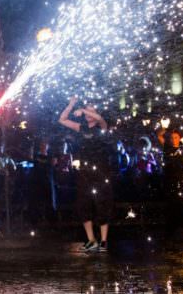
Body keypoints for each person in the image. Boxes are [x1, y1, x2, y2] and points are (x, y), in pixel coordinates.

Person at [59, 97, 113, 252]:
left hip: (101, 171)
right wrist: (71, 104)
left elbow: (100, 119)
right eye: (87, 110)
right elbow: (62, 119)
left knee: (102, 203)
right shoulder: (81, 127)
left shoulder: (102, 126)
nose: (89, 113)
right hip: (85, 172)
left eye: (92, 110)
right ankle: (91, 240)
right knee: (83, 204)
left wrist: (83, 109)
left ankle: (103, 240)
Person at [157, 123, 183, 238]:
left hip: (182, 182)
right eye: (172, 138)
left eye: (176, 137)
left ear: (179, 138)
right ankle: (171, 230)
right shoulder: (167, 148)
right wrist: (164, 127)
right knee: (172, 206)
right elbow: (159, 135)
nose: (174, 139)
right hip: (170, 182)